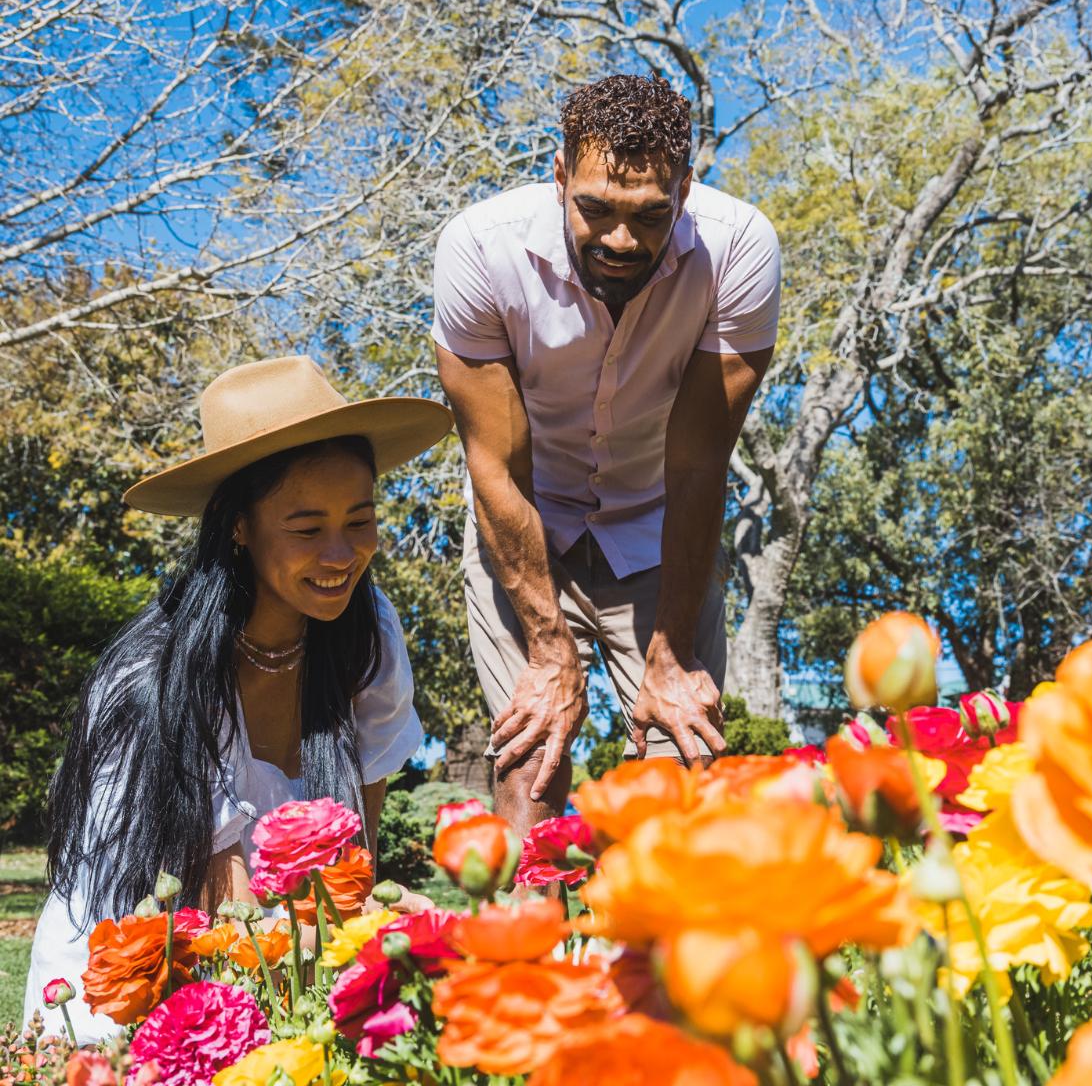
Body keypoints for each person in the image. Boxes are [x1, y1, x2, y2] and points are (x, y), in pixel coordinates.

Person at [23, 355, 452, 1042]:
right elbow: (226, 901)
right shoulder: (160, 671)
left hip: (274, 953)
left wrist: (371, 935)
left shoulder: (368, 635)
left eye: (361, 520)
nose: (343, 554)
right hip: (132, 961)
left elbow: (353, 858)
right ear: (239, 527)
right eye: (308, 529)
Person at [433, 71, 781, 832]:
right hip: (526, 514)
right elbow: (494, 465)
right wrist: (550, 650)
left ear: (685, 191)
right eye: (596, 210)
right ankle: (530, 948)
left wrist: (671, 654)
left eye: (651, 216)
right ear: (559, 178)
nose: (622, 241)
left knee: (684, 773)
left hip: (659, 522)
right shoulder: (480, 250)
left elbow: (697, 466)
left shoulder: (740, 250)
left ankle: (656, 948)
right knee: (534, 759)